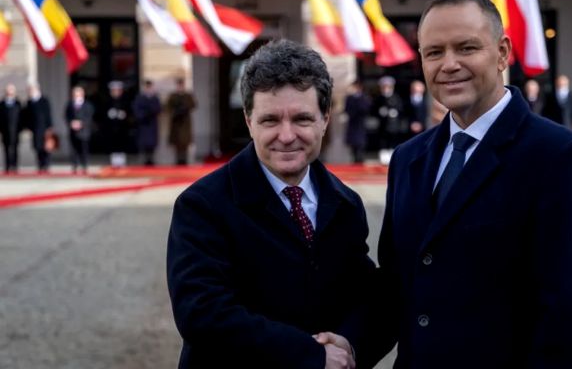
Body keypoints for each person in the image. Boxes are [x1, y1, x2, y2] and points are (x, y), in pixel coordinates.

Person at [374, 0, 572, 368]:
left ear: (502, 53)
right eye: (434, 52)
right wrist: (346, 347)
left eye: (466, 48)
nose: (449, 64)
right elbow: (395, 285)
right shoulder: (408, 159)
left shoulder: (564, 159)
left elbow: (570, 320)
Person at [167, 39, 378, 369]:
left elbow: (364, 297)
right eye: (270, 121)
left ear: (325, 119)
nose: (287, 135)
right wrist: (310, 355)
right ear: (249, 121)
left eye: (302, 119)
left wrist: (349, 345)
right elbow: (202, 313)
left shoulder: (346, 204)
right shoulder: (202, 206)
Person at [373, 76, 406, 164]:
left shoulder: (396, 97)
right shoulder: (379, 98)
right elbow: (373, 109)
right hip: (383, 125)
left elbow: (401, 109)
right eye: (384, 87)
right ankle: (383, 156)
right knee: (383, 141)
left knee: (393, 140)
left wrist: (395, 112)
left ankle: (392, 155)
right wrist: (380, 112)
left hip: (393, 124)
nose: (386, 89)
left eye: (388, 87)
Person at [23, 84, 54, 173]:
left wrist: (49, 127)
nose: (30, 92)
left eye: (32, 90)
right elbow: (27, 116)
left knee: (46, 148)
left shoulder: (44, 100)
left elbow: (48, 114)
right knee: (38, 147)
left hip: (44, 128)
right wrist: (28, 128)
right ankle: (40, 165)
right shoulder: (29, 102)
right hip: (35, 129)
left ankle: (46, 165)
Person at [65, 86, 94, 174]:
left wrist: (81, 123)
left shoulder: (88, 105)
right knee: (74, 150)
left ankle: (84, 166)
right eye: (74, 94)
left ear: (82, 94)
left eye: (77, 94)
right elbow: (66, 116)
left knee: (84, 150)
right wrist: (71, 123)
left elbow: (89, 117)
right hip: (73, 131)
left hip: (84, 132)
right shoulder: (70, 105)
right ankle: (75, 166)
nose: (76, 96)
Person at [132, 80, 161, 166]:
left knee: (152, 144)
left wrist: (151, 111)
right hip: (143, 124)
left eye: (150, 87)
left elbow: (158, 109)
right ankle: (145, 159)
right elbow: (136, 110)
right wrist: (144, 114)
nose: (148, 89)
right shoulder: (140, 98)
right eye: (147, 87)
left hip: (152, 124)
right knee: (144, 143)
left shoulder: (155, 98)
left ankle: (151, 159)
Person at [103, 81, 131, 168]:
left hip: (122, 128)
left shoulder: (125, 101)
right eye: (114, 90)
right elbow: (101, 114)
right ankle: (114, 163)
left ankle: (122, 163)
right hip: (111, 128)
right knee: (112, 146)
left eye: (118, 90)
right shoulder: (107, 101)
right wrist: (108, 115)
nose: (116, 92)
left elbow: (130, 113)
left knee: (122, 145)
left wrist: (124, 115)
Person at [343, 80, 371, 163]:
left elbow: (365, 109)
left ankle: (360, 160)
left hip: (360, 124)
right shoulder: (349, 98)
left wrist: (357, 100)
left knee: (360, 145)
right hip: (352, 124)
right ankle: (354, 161)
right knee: (353, 146)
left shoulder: (364, 98)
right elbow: (347, 109)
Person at [0, 83, 22, 174]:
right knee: (6, 149)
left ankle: (15, 166)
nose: (10, 92)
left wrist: (20, 128)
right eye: (8, 90)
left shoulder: (18, 103)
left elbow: (22, 117)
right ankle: (7, 166)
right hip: (5, 131)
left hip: (15, 131)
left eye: (11, 90)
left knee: (15, 148)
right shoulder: (2, 104)